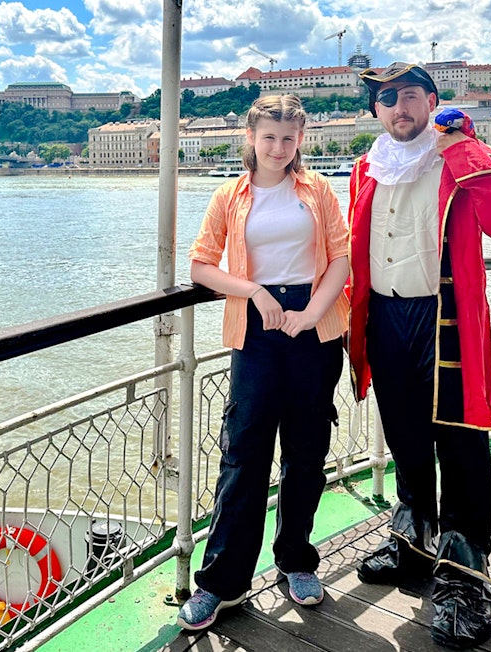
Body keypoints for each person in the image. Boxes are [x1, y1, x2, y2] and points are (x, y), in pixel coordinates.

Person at [346, 63, 491, 649]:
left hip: (443, 315)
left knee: (461, 445)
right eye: (386, 99)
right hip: (384, 317)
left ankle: (465, 577)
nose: (398, 108)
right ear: (376, 111)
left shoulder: (460, 158)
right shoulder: (366, 167)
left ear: (431, 101)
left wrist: (465, 150)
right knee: (404, 438)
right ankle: (415, 544)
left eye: (408, 96)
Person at [177, 94, 350, 631]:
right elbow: (201, 266)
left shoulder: (317, 190)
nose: (278, 148)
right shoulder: (230, 195)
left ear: (301, 139)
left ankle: (295, 560)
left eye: (288, 138)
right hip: (255, 327)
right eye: (269, 137)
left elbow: (340, 258)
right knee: (245, 452)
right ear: (250, 138)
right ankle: (222, 582)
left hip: (313, 327)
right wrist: (253, 290)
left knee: (306, 450)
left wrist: (311, 313)